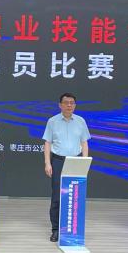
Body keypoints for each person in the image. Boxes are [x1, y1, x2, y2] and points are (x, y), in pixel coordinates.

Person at [42, 92, 90, 242]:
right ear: (60, 105)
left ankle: (72, 228)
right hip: (58, 161)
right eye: (66, 102)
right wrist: (47, 163)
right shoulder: (52, 121)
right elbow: (47, 143)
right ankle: (56, 229)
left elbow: (84, 142)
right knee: (57, 196)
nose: (69, 105)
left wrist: (84, 162)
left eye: (72, 103)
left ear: (75, 105)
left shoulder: (81, 121)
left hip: (75, 161)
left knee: (75, 195)